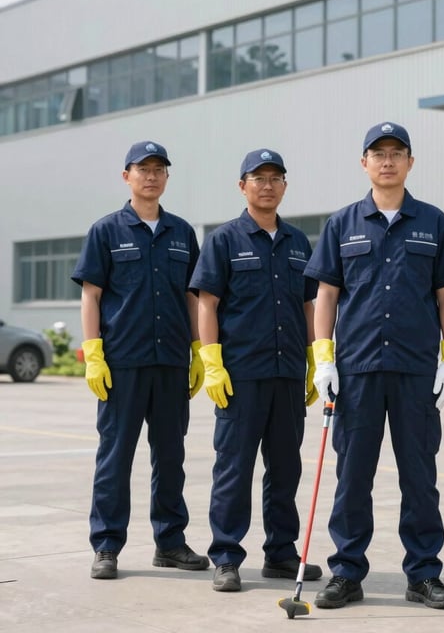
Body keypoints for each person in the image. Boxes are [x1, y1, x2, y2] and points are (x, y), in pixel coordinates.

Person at [304, 122, 444, 611]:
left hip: (417, 369)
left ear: (411, 163)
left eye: (398, 153)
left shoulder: (433, 222)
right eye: (378, 153)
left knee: (419, 475)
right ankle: (346, 573)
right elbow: (326, 293)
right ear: (364, 163)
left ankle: (423, 574)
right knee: (353, 475)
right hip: (356, 370)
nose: (388, 160)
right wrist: (323, 357)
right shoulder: (342, 223)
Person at [72, 140, 209, 580]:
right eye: (142, 168)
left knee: (170, 455)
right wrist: (93, 353)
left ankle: (170, 542)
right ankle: (107, 545)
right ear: (126, 176)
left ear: (167, 177)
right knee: (115, 456)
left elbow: (193, 297)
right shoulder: (106, 231)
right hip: (122, 362)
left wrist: (198, 350)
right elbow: (90, 295)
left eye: (159, 169)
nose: (151, 176)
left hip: (170, 361)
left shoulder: (182, 233)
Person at [189, 148, 322, 592]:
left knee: (285, 469)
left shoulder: (299, 243)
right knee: (235, 467)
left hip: (287, 373)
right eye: (257, 178)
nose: (267, 185)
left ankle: (282, 554)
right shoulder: (224, 240)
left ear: (285, 185)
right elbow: (207, 303)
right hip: (241, 374)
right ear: (242, 185)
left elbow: (308, 304)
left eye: (275, 178)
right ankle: (226, 556)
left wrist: (312, 359)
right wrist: (212, 362)